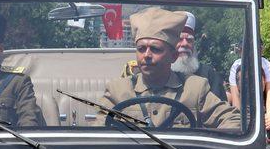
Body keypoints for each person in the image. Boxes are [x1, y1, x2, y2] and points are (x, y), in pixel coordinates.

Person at [99, 8, 240, 130]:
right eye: (141, 49)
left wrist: (208, 148)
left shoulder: (194, 89)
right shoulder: (118, 91)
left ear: (173, 56)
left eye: (155, 49)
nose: (146, 55)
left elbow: (233, 121)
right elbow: (95, 131)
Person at [170, 12, 226, 100]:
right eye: (179, 39)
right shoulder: (161, 73)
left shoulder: (210, 75)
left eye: (189, 40)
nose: (185, 44)